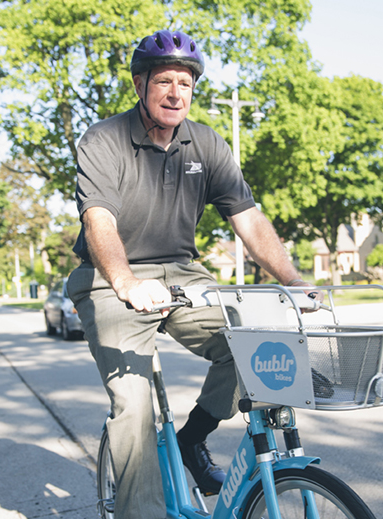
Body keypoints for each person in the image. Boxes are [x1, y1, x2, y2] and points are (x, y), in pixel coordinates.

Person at [68, 29, 319, 519]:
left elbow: (248, 219)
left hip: (183, 274)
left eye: (185, 83)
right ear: (140, 85)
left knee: (254, 347)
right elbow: (98, 219)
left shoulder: (206, 142)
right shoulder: (104, 139)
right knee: (135, 409)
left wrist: (293, 280)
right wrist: (125, 283)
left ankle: (192, 439)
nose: (175, 93)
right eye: (164, 81)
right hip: (111, 280)